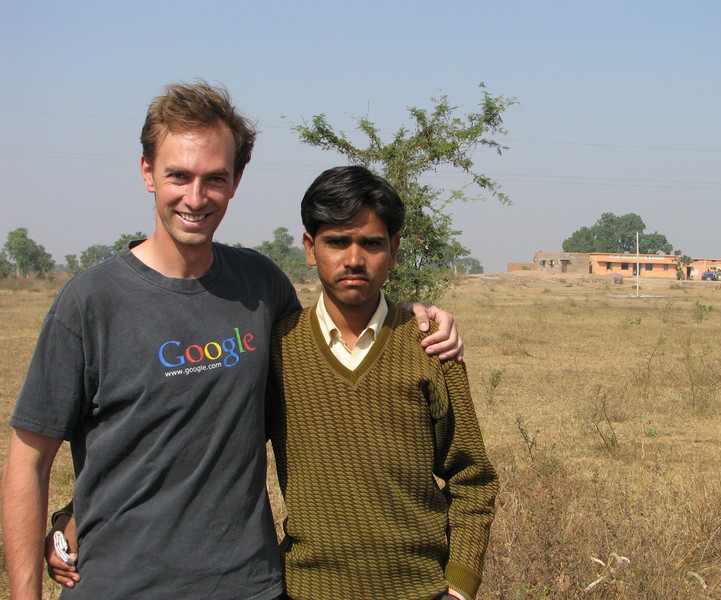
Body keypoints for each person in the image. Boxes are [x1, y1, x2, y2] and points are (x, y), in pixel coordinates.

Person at [2, 82, 462, 600]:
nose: (195, 198)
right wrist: (62, 533)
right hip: (119, 584)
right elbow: (28, 459)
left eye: (214, 179)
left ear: (236, 180)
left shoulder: (259, 286)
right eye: (178, 175)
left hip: (251, 584)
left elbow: (334, 347)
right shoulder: (89, 303)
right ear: (147, 172)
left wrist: (418, 318)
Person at [267, 166, 498, 600]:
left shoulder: (430, 345)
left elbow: (473, 476)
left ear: (393, 251)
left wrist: (461, 583)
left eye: (371, 243)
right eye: (336, 241)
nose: (354, 259)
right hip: (305, 589)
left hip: (420, 590)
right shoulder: (278, 349)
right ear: (309, 248)